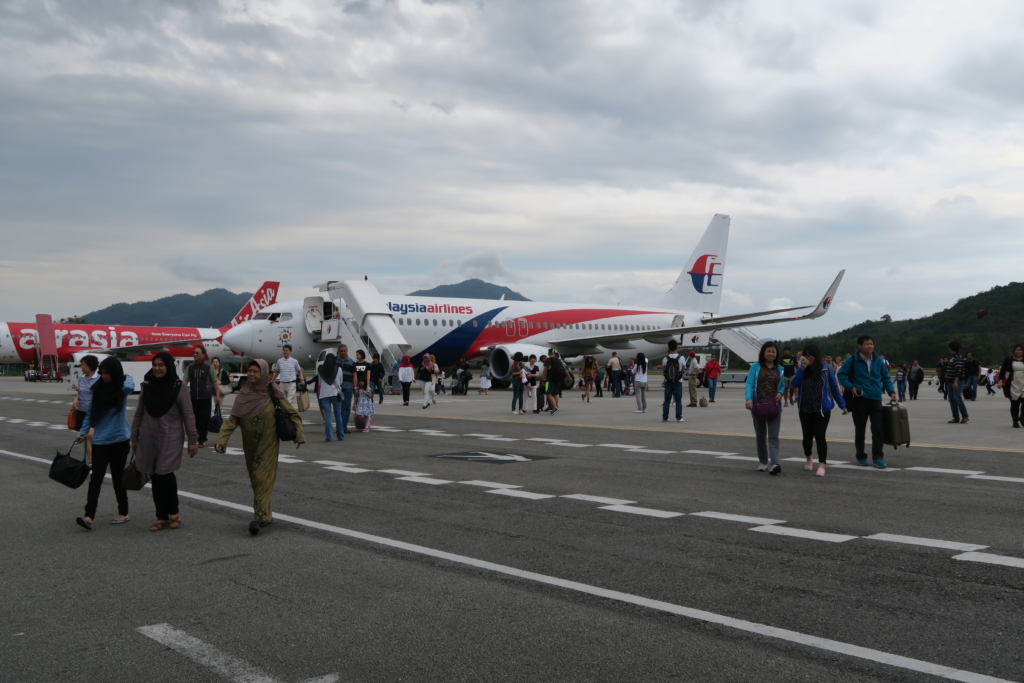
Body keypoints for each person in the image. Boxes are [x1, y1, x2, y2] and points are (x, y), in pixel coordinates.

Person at [214, 359, 305, 535]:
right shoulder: (244, 393)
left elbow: (291, 413)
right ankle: (267, 514)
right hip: (249, 445)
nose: (252, 374)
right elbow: (233, 420)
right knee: (256, 478)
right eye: (250, 371)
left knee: (262, 476)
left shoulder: (273, 391)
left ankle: (260, 517)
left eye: (256, 371)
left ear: (263, 373)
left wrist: (299, 435)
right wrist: (221, 440)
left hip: (268, 443)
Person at [132, 352, 199, 531]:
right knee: (154, 475)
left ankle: (174, 513)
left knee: (164, 473)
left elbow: (188, 414)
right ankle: (161, 516)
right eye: (154, 364)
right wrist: (134, 437)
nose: (157, 368)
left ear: (169, 366)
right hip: (148, 436)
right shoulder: (147, 386)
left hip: (170, 437)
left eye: (161, 364)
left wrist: (193, 439)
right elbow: (139, 413)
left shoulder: (178, 387)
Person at [74, 357, 135, 530]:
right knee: (96, 479)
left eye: (107, 373)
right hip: (100, 440)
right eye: (102, 373)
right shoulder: (98, 388)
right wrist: (83, 432)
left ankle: (123, 512)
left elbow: (130, 386)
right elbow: (90, 412)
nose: (104, 376)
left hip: (119, 440)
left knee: (118, 479)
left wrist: (126, 376)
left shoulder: (121, 389)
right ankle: (89, 516)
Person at [837, 335, 898, 468]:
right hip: (860, 399)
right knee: (860, 430)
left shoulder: (878, 361)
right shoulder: (852, 360)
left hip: (876, 399)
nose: (869, 346)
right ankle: (861, 456)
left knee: (878, 430)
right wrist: (851, 387)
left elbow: (885, 377)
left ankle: (878, 457)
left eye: (871, 344)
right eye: (866, 344)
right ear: (860, 346)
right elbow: (841, 375)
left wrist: (891, 391)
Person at [791, 343, 847, 477]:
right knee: (807, 436)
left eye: (811, 355)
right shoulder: (802, 369)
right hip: (805, 408)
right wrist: (802, 370)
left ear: (816, 356)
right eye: (806, 355)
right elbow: (793, 384)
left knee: (820, 435)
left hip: (822, 409)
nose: (808, 358)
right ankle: (808, 457)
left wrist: (842, 405)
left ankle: (822, 463)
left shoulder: (825, 369)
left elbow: (834, 388)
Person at [745, 342, 786, 474]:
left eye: (773, 351)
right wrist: (749, 399)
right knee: (760, 436)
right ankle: (763, 461)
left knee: (773, 436)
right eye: (768, 351)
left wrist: (780, 393)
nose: (771, 354)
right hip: (758, 405)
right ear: (763, 352)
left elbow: (782, 386)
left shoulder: (780, 369)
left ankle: (775, 464)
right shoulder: (755, 367)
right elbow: (749, 383)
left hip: (774, 405)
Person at [186, 346, 220, 447]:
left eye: (197, 353)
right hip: (193, 397)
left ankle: (201, 439)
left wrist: (217, 395)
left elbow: (215, 381)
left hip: (205, 397)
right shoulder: (190, 367)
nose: (194, 355)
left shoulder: (208, 367)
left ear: (203, 355)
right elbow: (185, 381)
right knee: (194, 419)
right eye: (194, 353)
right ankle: (195, 436)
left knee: (204, 419)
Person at [72, 354, 100, 461]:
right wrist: (76, 400)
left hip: (93, 412)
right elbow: (79, 393)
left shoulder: (98, 379)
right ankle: (92, 460)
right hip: (82, 411)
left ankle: (96, 459)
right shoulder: (81, 379)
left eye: (84, 365)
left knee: (91, 436)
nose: (82, 367)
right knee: (83, 437)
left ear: (90, 366)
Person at [316, 353, 344, 441]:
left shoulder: (321, 370)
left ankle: (329, 437)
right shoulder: (338, 369)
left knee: (328, 415)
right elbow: (340, 381)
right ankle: (340, 436)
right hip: (335, 393)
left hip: (324, 394)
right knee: (338, 415)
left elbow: (320, 382)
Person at [998, 344, 1024, 428]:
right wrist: (1000, 381)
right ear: (1014, 351)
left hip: (1023, 383)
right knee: (1015, 404)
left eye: (1020, 349)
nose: (1018, 351)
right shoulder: (1009, 359)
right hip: (1013, 384)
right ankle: (1015, 421)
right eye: (1016, 350)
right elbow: (1003, 370)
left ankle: (1022, 417)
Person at [270, 344, 304, 409]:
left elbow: (299, 372)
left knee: (289, 401)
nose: (285, 352)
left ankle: (288, 415)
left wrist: (302, 380)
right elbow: (277, 372)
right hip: (282, 383)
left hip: (291, 384)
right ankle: (284, 414)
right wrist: (272, 380)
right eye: (284, 350)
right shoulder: (279, 361)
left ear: (290, 351)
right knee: (281, 400)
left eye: (287, 350)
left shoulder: (294, 361)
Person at [945, 342, 969, 424]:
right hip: (950, 380)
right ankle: (956, 417)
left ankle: (965, 416)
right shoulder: (953, 357)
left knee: (957, 398)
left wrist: (956, 382)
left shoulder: (958, 358)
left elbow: (959, 371)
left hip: (957, 381)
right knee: (951, 399)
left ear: (951, 349)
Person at [661, 340, 685, 422]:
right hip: (678, 381)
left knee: (667, 400)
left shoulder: (665, 358)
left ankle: (665, 417)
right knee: (678, 400)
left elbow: (663, 369)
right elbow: (683, 369)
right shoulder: (681, 357)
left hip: (668, 381)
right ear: (677, 347)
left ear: (668, 347)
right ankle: (679, 417)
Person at [336, 345, 357, 432]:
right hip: (337, 388)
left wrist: (355, 387)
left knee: (346, 407)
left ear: (347, 351)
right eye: (341, 351)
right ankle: (339, 426)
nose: (343, 352)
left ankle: (343, 427)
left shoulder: (351, 362)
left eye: (344, 351)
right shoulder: (335, 361)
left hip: (348, 387)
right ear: (338, 352)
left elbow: (354, 376)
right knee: (338, 408)